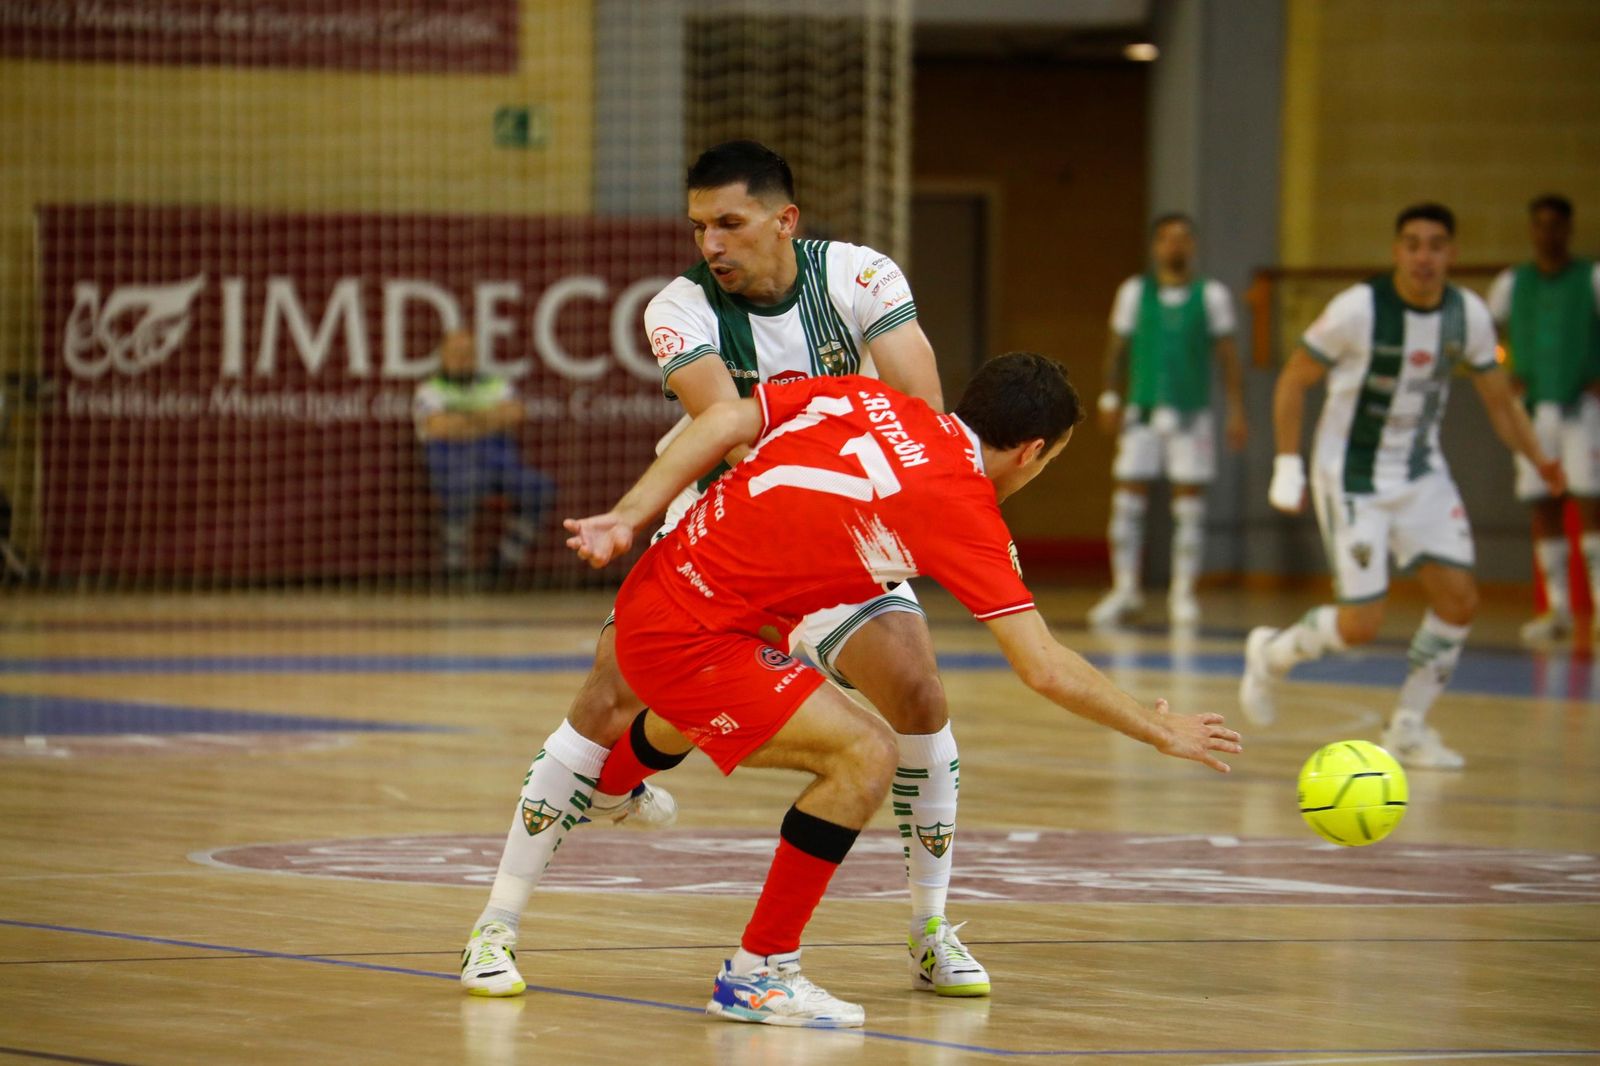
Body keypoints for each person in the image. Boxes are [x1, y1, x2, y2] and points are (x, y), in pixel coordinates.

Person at [562, 353, 1241, 1027]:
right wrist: (1158, 728)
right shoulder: (962, 507)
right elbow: (1045, 667)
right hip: (694, 641)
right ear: (1032, 451)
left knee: (752, 703)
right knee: (865, 754)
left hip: (660, 586)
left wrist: (627, 514)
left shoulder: (867, 396)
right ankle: (758, 972)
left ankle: (612, 785)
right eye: (1051, 461)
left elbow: (722, 421)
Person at [461, 141, 991, 1000]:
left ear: (785, 221)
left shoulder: (860, 276)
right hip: (722, 527)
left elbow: (924, 413)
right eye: (699, 226)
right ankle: (495, 927)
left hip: (842, 533)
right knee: (604, 702)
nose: (711, 243)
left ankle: (931, 931)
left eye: (730, 223)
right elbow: (732, 431)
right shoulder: (678, 306)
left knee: (920, 694)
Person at [1240, 203, 1564, 769]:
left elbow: (1499, 402)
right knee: (1360, 625)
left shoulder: (1467, 315)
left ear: (1452, 254)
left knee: (1459, 600)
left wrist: (1540, 458)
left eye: (1436, 245)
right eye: (1412, 244)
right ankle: (1271, 653)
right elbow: (1293, 379)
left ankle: (1408, 726)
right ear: (1396, 252)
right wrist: (1287, 463)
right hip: (1352, 475)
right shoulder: (1358, 309)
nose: (1423, 256)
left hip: (1420, 473)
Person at [1088, 213, 1247, 629]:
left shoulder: (1212, 296)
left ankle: (1183, 593)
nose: (1175, 246)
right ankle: (1125, 590)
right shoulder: (1134, 292)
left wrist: (1236, 410)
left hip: (1192, 412)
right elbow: (1117, 348)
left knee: (1190, 506)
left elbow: (1229, 357)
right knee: (1127, 501)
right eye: (1166, 239)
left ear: (1193, 245)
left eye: (1182, 238)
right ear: (1155, 246)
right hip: (1141, 409)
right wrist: (1109, 396)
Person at [1486, 194, 1600, 644]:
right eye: (1540, 224)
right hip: (1532, 408)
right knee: (1542, 504)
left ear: (1569, 229)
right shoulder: (1513, 283)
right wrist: (1504, 370)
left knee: (1590, 501)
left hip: (1582, 407)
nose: (1548, 233)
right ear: (1531, 229)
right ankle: (1558, 610)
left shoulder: (1591, 278)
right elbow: (1488, 333)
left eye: (1556, 225)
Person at [414, 330, 554, 581]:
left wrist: (461, 422)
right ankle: (453, 567)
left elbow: (516, 413)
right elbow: (438, 427)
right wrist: (489, 419)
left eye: (468, 354)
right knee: (461, 487)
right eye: (456, 353)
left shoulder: (495, 384)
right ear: (443, 356)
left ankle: (504, 563)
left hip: (498, 463)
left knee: (539, 488)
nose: (462, 359)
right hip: (452, 466)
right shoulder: (429, 390)